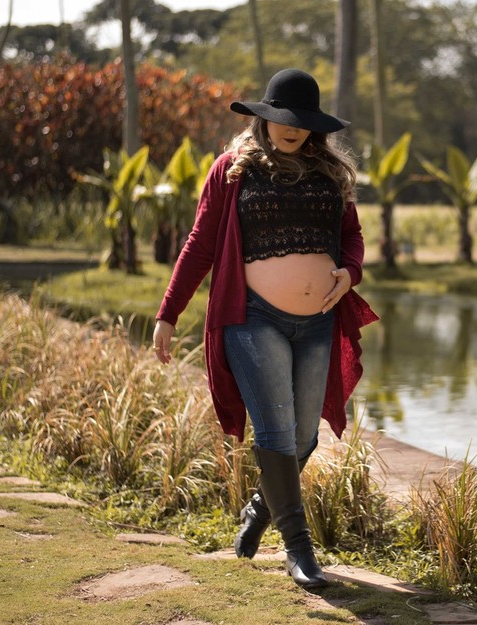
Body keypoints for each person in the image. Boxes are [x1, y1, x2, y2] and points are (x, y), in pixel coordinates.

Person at [152, 68, 378, 589]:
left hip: (319, 321)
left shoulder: (330, 174)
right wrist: (169, 311)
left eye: (301, 121)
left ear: (315, 126)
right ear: (263, 118)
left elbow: (352, 238)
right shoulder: (232, 170)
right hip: (254, 320)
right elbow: (200, 244)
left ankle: (260, 506)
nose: (291, 129)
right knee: (275, 433)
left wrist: (350, 272)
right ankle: (299, 551)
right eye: (282, 119)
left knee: (302, 437)